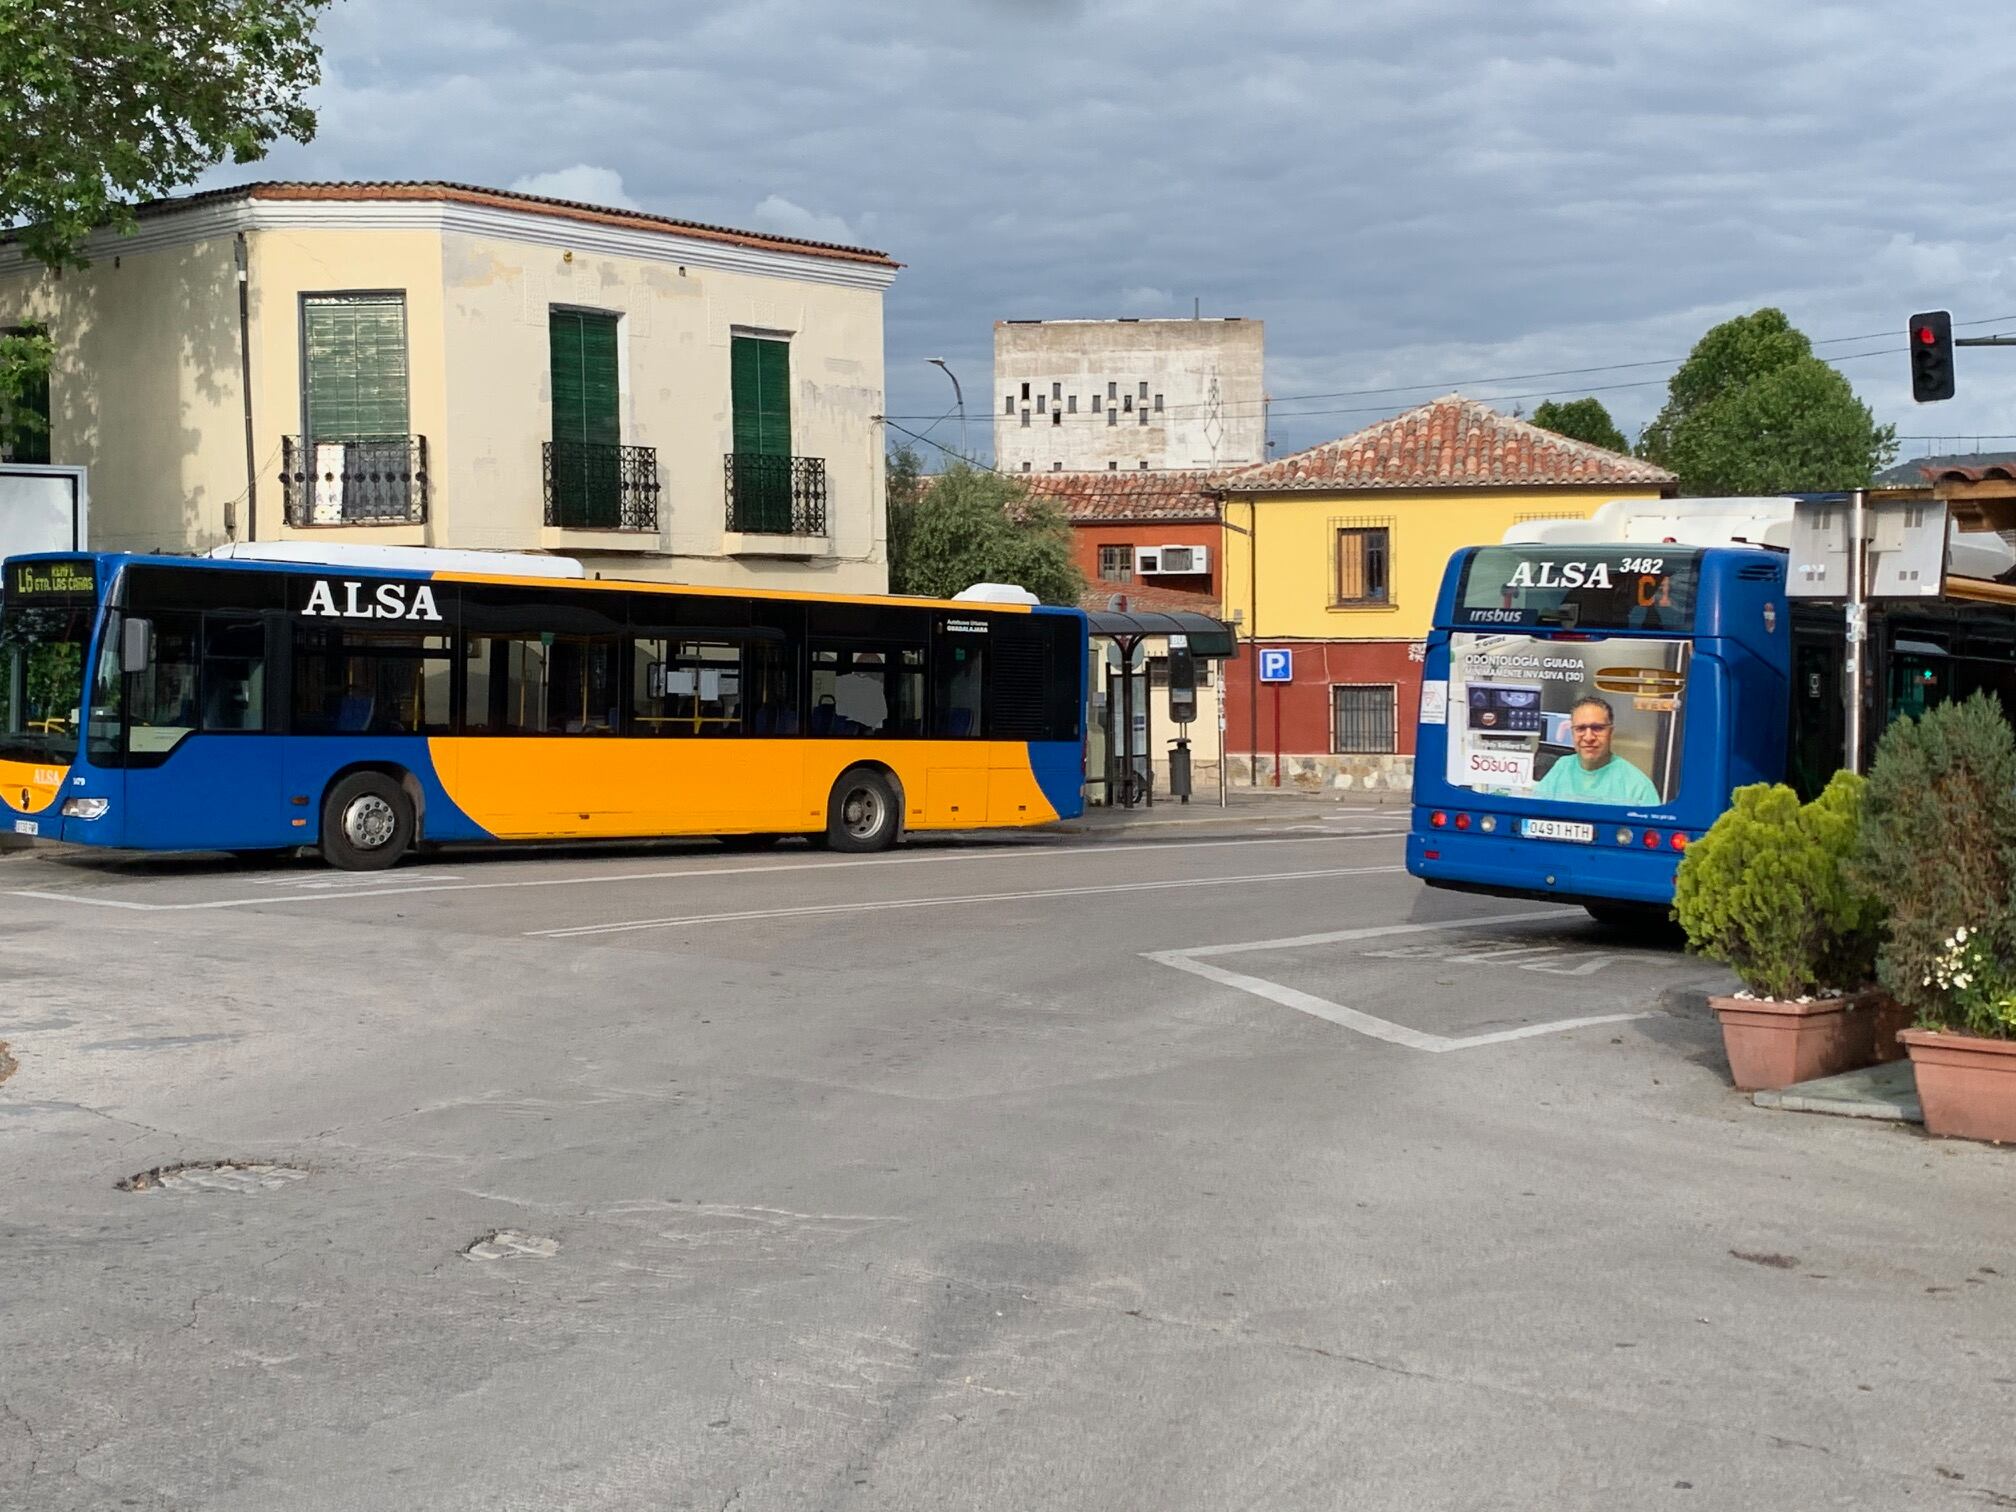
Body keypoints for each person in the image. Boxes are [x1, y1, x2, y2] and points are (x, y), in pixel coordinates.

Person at [1532, 695, 1660, 806]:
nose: (1588, 737)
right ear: (1572, 732)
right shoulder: (1562, 767)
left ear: (1610, 732)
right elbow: (1535, 811)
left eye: (1597, 728)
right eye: (1580, 728)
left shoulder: (1637, 786)